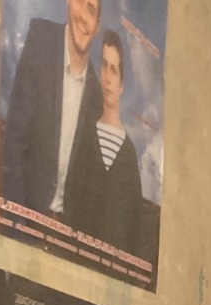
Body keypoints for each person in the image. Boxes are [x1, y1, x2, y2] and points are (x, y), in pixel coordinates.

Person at [0, 0, 104, 217]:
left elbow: (87, 183)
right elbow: (15, 142)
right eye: (79, 2)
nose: (83, 16)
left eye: (91, 10)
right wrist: (17, 222)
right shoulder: (41, 40)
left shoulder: (96, 95)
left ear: (97, 27)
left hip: (65, 228)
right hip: (26, 215)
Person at [64, 29, 142, 256]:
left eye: (114, 70)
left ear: (121, 84)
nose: (107, 77)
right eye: (104, 66)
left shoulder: (129, 154)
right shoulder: (83, 136)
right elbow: (71, 200)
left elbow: (134, 228)